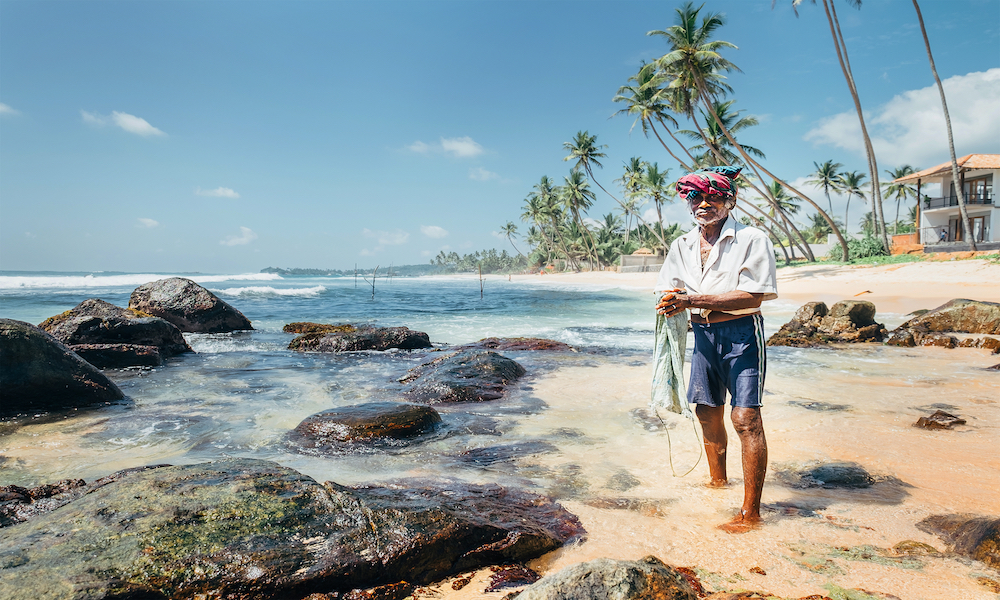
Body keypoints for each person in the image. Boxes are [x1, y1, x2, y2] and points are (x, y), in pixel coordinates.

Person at [655, 166, 777, 534]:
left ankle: (750, 514)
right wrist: (671, 302)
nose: (705, 203)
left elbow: (754, 295)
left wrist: (690, 299)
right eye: (696, 197)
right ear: (689, 203)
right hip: (702, 335)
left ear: (731, 200)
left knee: (746, 420)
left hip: (742, 334)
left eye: (714, 196)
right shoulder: (682, 245)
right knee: (707, 411)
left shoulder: (752, 238)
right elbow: (670, 290)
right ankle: (717, 484)